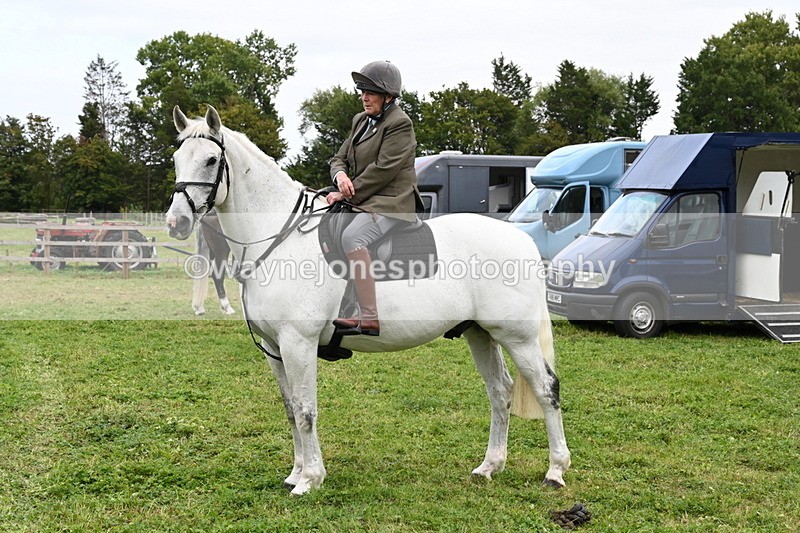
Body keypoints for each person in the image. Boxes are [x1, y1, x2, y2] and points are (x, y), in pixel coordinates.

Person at [326, 60, 421, 336]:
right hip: (363, 198)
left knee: (353, 238)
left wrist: (347, 192)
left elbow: (383, 171)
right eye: (362, 91)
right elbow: (338, 158)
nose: (364, 97)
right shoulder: (360, 120)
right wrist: (340, 177)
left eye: (371, 92)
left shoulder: (400, 124)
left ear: (388, 96)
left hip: (392, 202)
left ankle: (368, 316)